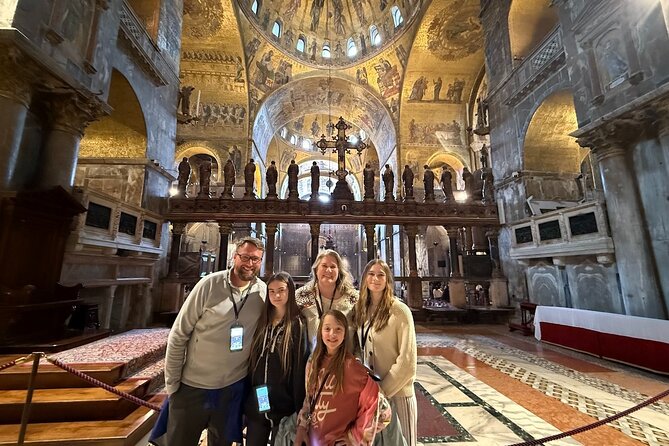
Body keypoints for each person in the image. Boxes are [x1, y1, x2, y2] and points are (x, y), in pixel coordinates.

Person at [163, 237, 267, 446]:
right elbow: (179, 334)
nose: (250, 263)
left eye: (256, 259)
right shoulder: (209, 285)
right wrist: (172, 384)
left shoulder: (262, 291)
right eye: (245, 257)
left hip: (232, 388)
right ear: (234, 257)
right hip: (193, 386)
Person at [294, 310, 391, 446]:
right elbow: (309, 400)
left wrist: (355, 436)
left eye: (338, 329)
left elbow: (383, 411)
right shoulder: (313, 362)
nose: (332, 334)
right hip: (314, 439)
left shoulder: (354, 369)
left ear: (345, 334)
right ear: (320, 331)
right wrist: (302, 427)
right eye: (327, 329)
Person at [353, 260, 417, 446]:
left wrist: (383, 390)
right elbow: (359, 346)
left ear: (388, 280)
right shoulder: (362, 309)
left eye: (381, 275)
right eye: (371, 274)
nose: (376, 278)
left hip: (397, 392)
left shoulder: (400, 311)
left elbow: (407, 361)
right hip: (373, 394)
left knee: (404, 442)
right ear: (365, 278)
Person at [245, 272, 309, 446]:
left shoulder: (297, 324)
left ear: (290, 291)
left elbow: (299, 369)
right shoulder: (263, 320)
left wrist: (299, 409)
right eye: (272, 291)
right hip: (259, 396)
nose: (276, 295)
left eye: (281, 290)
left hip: (284, 403)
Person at [296, 249, 358, 351]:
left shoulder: (353, 297)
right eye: (324, 266)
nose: (328, 270)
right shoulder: (302, 295)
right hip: (314, 358)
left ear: (339, 271)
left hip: (346, 356)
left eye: (333, 267)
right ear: (316, 270)